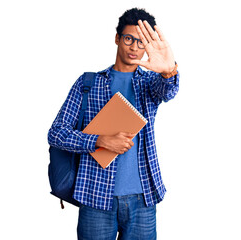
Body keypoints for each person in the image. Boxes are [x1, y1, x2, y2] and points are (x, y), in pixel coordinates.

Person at [48, 7, 179, 240]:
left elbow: (167, 91)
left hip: (143, 197)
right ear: (117, 38)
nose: (134, 48)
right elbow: (57, 133)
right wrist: (99, 140)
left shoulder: (149, 82)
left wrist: (169, 71)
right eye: (129, 39)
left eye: (141, 43)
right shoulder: (88, 83)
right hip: (96, 196)